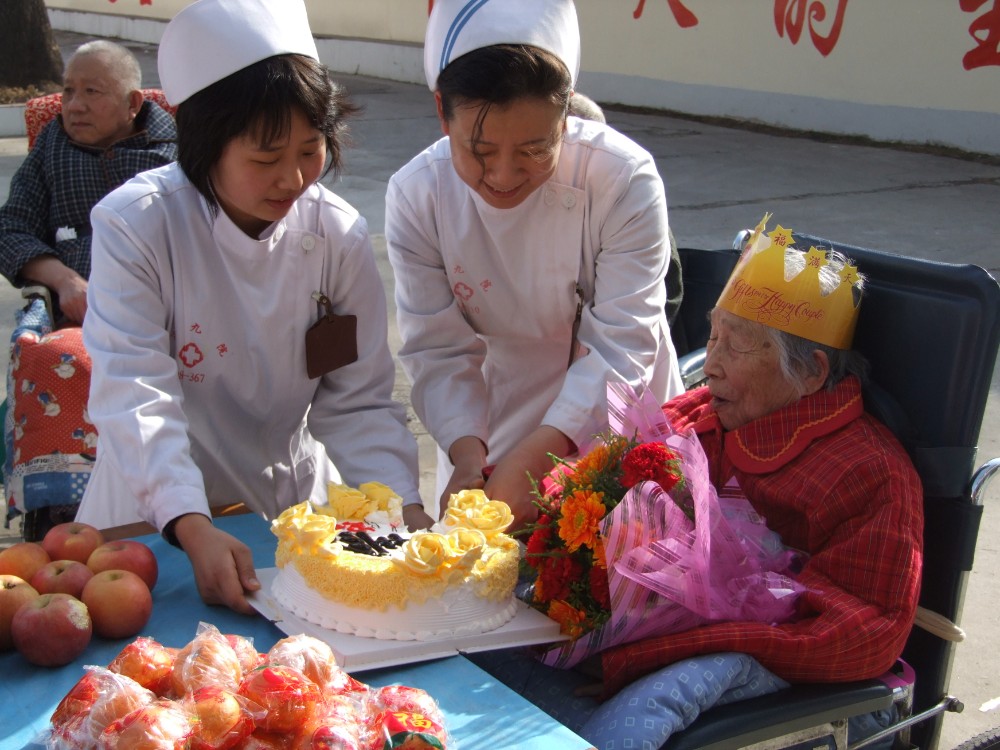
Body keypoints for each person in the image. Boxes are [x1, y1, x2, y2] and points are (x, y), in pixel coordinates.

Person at [469, 221, 924, 747]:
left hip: (773, 668)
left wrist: (664, 647)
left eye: (739, 347)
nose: (710, 365)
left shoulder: (870, 473)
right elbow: (599, 478)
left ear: (814, 371)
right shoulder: (702, 415)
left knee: (653, 703)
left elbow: (864, 630)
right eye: (712, 336)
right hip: (645, 633)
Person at [74, 0, 422, 615]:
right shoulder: (138, 225)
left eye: (310, 150)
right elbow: (135, 390)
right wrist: (187, 519)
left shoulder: (335, 236)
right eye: (265, 159)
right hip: (148, 527)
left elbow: (357, 400)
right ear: (205, 147)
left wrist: (400, 504)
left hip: (285, 514)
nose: (292, 179)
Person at [386, 0, 684, 531]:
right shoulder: (417, 196)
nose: (503, 174)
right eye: (479, 150)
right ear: (441, 112)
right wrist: (466, 452)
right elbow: (438, 348)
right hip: (492, 422)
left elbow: (621, 345)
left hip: (623, 422)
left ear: (566, 111)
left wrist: (538, 456)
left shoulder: (621, 179)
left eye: (534, 148)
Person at [0, 40, 177, 325]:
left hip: (169, 311)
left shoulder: (177, 153)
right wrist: (65, 281)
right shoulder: (52, 146)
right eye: (68, 91)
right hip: (76, 316)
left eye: (91, 91)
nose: (74, 106)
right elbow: (10, 229)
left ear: (132, 103)